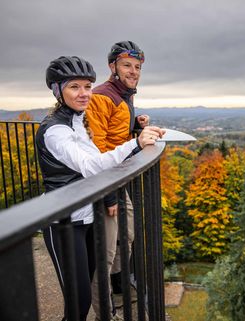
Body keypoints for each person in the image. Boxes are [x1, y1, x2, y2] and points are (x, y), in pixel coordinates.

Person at [36, 56, 164, 321]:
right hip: (63, 221)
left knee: (87, 289)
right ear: (57, 89)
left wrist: (133, 130)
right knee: (78, 304)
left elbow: (101, 154)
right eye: (74, 87)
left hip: (87, 217)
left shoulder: (77, 121)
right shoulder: (55, 131)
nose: (84, 94)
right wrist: (136, 144)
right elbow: (92, 166)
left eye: (87, 86)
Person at [86, 40, 150, 319]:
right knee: (107, 251)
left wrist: (136, 126)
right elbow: (97, 148)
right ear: (112, 67)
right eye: (127, 65)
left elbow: (115, 134)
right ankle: (105, 311)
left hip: (117, 177)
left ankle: (117, 284)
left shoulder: (124, 95)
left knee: (129, 234)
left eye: (137, 67)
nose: (133, 71)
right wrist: (108, 193)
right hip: (105, 181)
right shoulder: (102, 96)